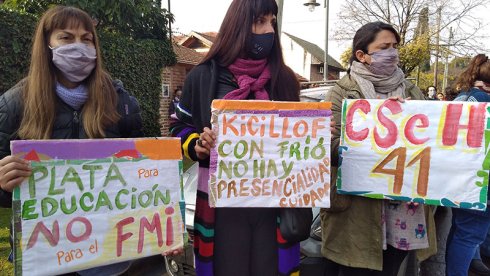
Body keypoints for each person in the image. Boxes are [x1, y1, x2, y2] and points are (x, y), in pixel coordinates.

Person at [0, 6, 144, 275]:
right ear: (47, 45)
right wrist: (3, 182)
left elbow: (144, 177)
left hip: (107, 251)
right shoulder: (14, 104)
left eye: (86, 39)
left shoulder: (122, 103)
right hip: (43, 252)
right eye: (66, 38)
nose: (79, 47)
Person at [169, 0, 305, 275]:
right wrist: (197, 144)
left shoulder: (285, 80)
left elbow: (302, 142)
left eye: (272, 22)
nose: (268, 30)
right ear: (238, 25)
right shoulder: (202, 77)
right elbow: (176, 128)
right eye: (260, 21)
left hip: (275, 208)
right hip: (223, 209)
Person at [320, 21, 437, 275]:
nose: (393, 52)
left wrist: (409, 116)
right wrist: (379, 124)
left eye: (395, 46)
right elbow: (327, 147)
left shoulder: (412, 91)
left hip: (405, 211)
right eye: (384, 47)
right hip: (358, 211)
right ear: (362, 55)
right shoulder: (341, 93)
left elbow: (434, 140)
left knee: (391, 269)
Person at [446, 53, 490, 276]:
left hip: (458, 179)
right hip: (481, 182)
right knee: (470, 234)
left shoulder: (462, 97)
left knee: (460, 230)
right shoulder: (486, 102)